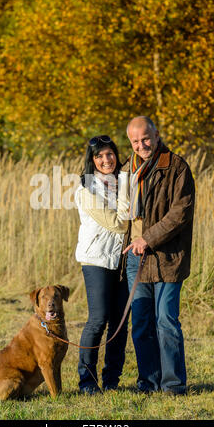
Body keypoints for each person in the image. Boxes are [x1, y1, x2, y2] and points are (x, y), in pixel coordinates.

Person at [122, 116, 195, 395]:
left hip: (167, 258)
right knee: (140, 323)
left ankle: (174, 385)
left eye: (145, 138)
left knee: (166, 320)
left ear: (156, 134)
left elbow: (180, 214)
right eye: (135, 141)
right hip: (134, 259)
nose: (141, 145)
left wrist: (147, 239)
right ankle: (148, 382)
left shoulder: (177, 167)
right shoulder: (127, 169)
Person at [74, 135, 131, 395]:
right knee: (98, 320)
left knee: (119, 322)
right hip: (96, 259)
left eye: (109, 154)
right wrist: (127, 185)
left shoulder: (123, 182)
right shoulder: (86, 189)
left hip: (121, 260)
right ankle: (87, 381)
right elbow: (119, 223)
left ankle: (111, 380)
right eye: (99, 156)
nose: (106, 160)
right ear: (92, 160)